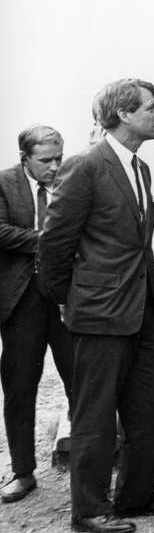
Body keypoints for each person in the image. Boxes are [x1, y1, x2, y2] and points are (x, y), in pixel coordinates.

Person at [38, 80, 154, 533]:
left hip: (143, 312)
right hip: (99, 314)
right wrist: (70, 301)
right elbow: (54, 245)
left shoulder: (139, 169)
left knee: (150, 408)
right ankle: (89, 511)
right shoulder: (85, 166)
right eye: (151, 107)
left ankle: (136, 498)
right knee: (95, 416)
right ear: (123, 114)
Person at [0, 125, 74, 504]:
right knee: (19, 387)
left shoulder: (72, 181)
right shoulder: (2, 183)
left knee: (80, 382)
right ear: (24, 157)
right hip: (20, 301)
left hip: (66, 299)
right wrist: (49, 239)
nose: (55, 166)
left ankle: (87, 470)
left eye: (59, 157)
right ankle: (22, 473)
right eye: (46, 160)